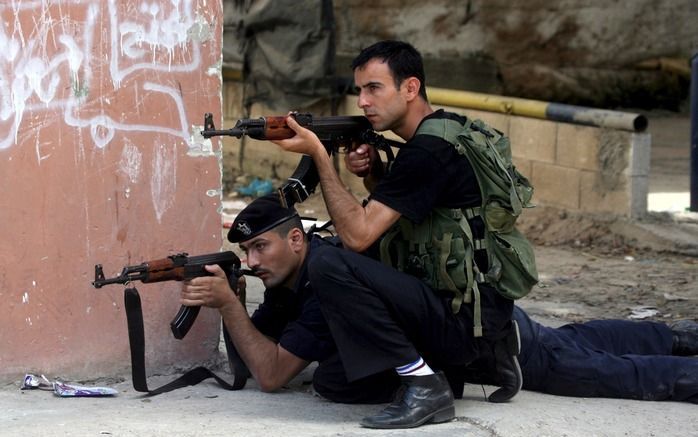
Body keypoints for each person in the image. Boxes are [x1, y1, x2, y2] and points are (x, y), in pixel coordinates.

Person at [270, 40, 523, 429]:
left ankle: (424, 384)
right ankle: (482, 360)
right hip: (478, 308)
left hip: (460, 318)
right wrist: (373, 173)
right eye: (359, 90)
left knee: (328, 260)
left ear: (410, 88)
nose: (363, 102)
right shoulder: (449, 129)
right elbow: (419, 209)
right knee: (335, 381)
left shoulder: (425, 152)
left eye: (374, 88)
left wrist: (321, 156)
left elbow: (359, 236)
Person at [179, 194, 401, 404]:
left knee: (332, 380)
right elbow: (251, 361)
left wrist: (228, 306)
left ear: (295, 239)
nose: (251, 262)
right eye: (246, 250)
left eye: (260, 246)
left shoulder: (324, 280)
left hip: (411, 352)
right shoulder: (285, 278)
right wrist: (236, 300)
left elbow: (270, 376)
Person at [464, 306, 698, 403]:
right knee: (571, 340)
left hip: (494, 339)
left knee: (589, 370)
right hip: (498, 317)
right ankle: (680, 339)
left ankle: (688, 370)